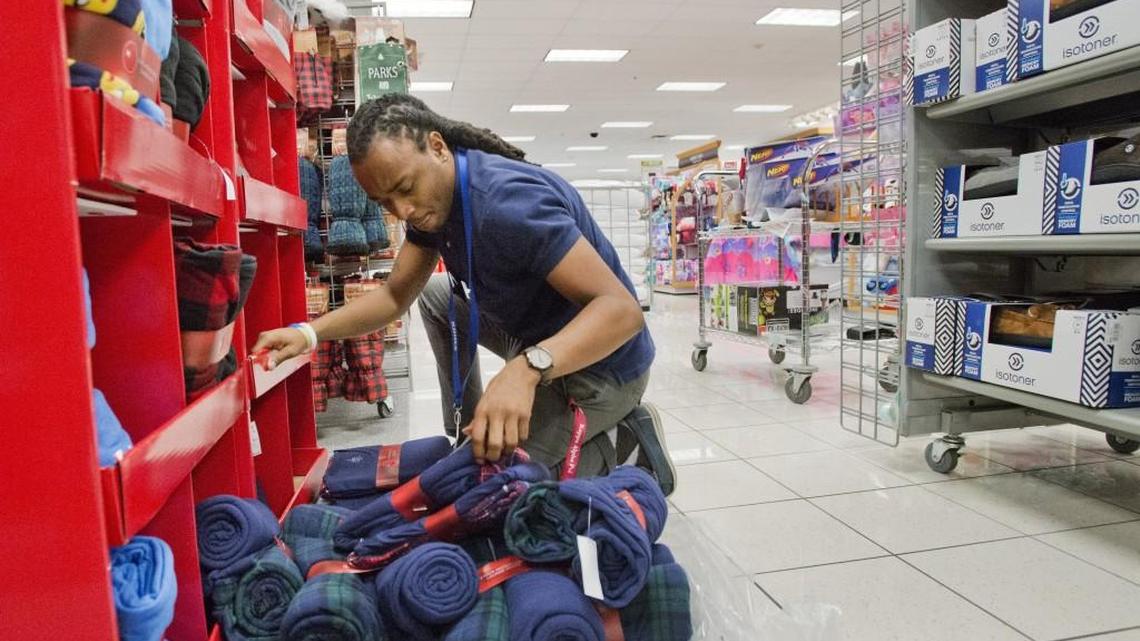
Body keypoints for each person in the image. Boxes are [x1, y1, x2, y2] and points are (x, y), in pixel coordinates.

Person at [253, 94, 675, 494]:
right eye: (385, 201)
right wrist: (309, 333)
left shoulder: (510, 205)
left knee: (507, 490)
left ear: (437, 147)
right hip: (534, 332)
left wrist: (525, 370)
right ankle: (473, 427)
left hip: (604, 363)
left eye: (404, 188)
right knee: (436, 296)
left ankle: (626, 441)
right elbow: (395, 295)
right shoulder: (435, 199)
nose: (402, 211)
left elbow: (622, 311)